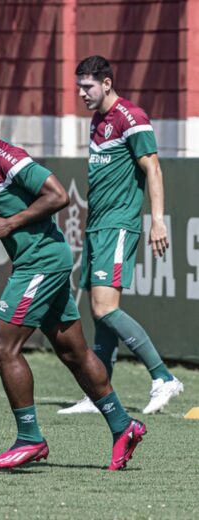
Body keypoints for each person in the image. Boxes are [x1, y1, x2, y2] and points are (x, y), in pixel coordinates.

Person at [0, 90, 146, 470]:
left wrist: (12, 222)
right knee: (74, 352)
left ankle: (30, 438)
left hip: (40, 262)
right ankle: (124, 426)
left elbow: (57, 195)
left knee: (4, 347)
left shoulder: (8, 157)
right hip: (39, 261)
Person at [58, 56, 183, 416]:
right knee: (99, 314)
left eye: (88, 86)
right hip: (97, 226)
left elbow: (153, 168)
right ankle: (101, 394)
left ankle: (163, 377)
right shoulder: (98, 121)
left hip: (119, 225)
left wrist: (157, 221)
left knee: (104, 308)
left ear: (107, 83)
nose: (82, 93)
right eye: (79, 86)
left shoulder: (132, 117)